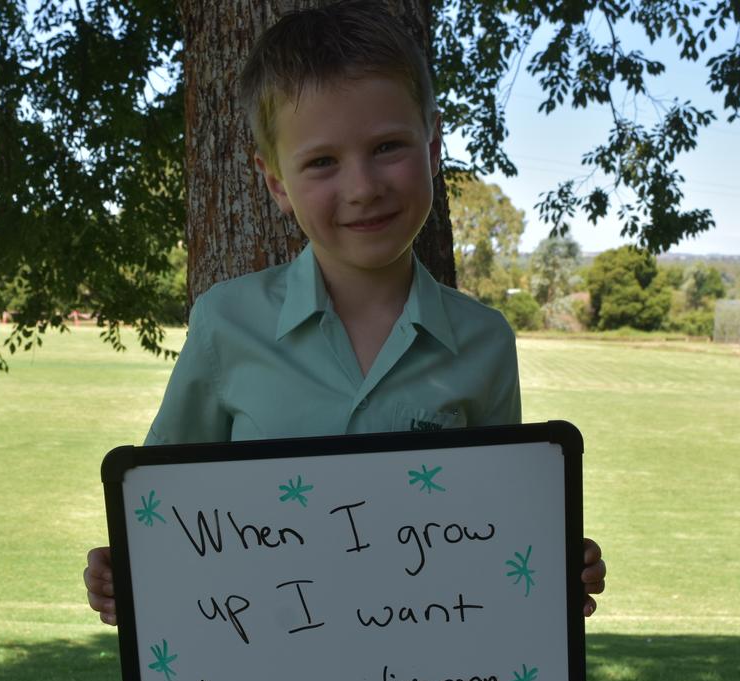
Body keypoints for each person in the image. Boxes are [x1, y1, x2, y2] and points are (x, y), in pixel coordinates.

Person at [84, 0, 605, 625]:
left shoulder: (484, 341)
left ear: (433, 144)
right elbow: (165, 515)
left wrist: (545, 564)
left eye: (387, 146)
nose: (362, 187)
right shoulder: (227, 325)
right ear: (276, 182)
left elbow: (488, 532)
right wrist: (129, 573)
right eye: (322, 162)